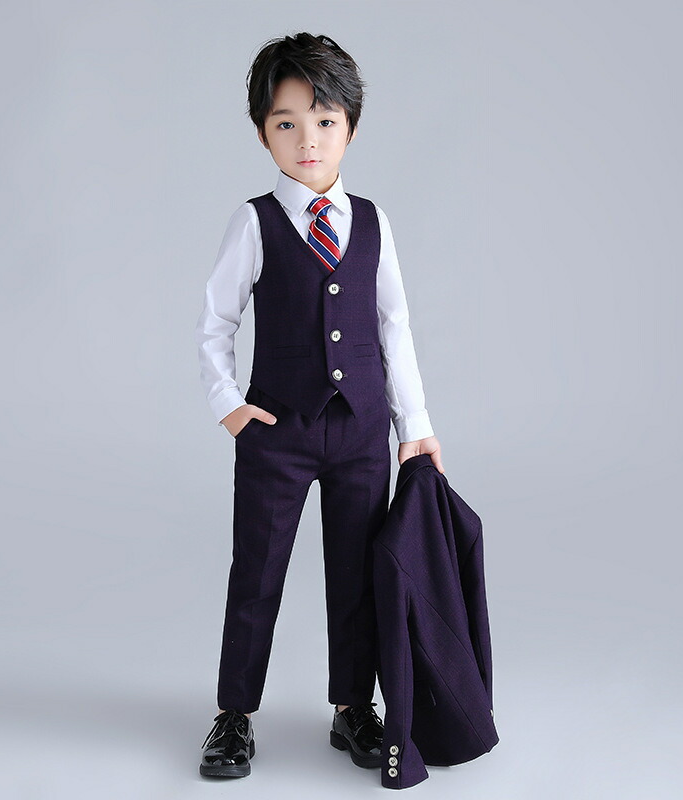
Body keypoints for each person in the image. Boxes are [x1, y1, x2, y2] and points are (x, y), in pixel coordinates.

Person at [194, 32, 444, 779]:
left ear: (351, 128)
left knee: (359, 574)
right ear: (262, 132)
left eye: (325, 121)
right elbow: (215, 322)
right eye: (287, 123)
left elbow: (394, 325)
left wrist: (414, 425)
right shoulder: (255, 221)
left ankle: (352, 707)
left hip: (361, 431)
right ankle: (234, 714)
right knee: (257, 572)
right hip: (277, 431)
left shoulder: (372, 221)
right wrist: (230, 405)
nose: (308, 140)